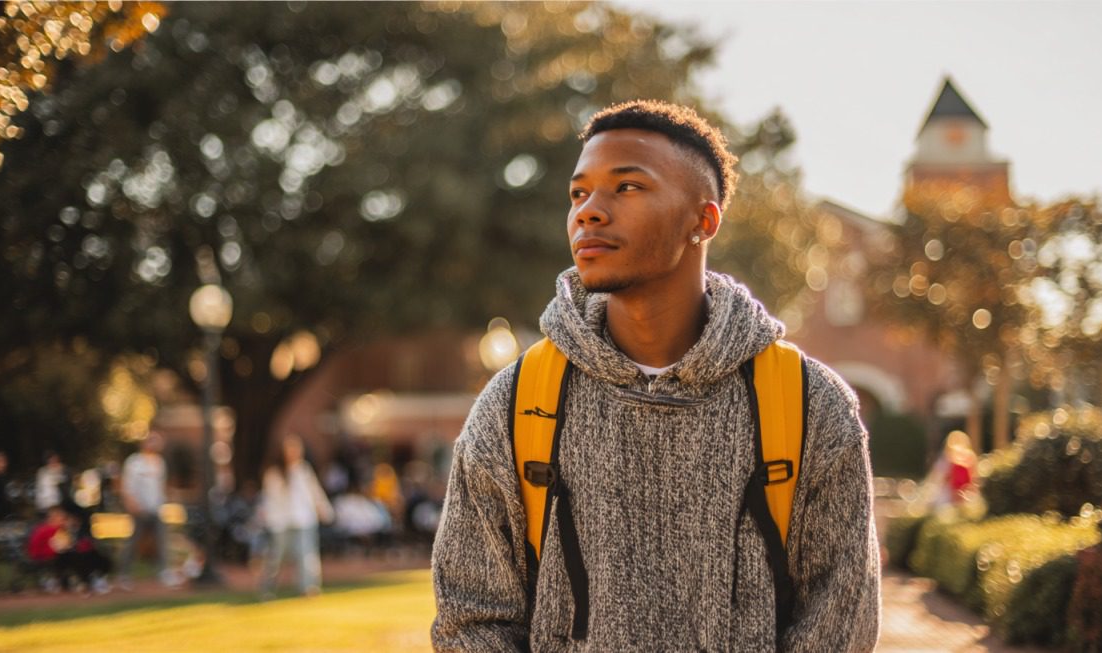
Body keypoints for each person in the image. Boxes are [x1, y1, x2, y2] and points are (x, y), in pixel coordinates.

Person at [431, 100, 880, 651]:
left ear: (704, 219)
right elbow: (470, 621)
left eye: (627, 187)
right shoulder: (517, 402)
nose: (588, 212)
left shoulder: (809, 404)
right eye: (579, 192)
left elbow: (840, 627)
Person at [257, 433, 334, 600]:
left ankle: (308, 588)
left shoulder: (303, 470)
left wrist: (325, 510)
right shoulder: (273, 473)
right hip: (280, 522)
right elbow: (268, 499)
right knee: (276, 557)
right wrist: (266, 518)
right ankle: (267, 589)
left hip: (303, 519)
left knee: (307, 556)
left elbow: (315, 493)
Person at [118, 431, 179, 589]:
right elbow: (127, 486)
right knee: (133, 541)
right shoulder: (134, 462)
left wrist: (164, 503)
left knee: (162, 539)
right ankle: (124, 574)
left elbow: (160, 486)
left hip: (156, 508)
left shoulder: (159, 462)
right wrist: (132, 504)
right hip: (139, 509)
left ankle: (164, 571)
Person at [26, 505, 113, 594]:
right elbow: (60, 547)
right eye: (61, 518)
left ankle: (88, 580)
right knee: (79, 557)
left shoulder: (46, 528)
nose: (63, 520)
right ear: (53, 518)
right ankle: (89, 581)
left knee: (81, 555)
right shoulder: (50, 529)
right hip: (45, 558)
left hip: (45, 557)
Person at [34, 450, 69, 515]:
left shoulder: (56, 471)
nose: (55, 462)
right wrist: (60, 469)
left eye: (56, 460)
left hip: (56, 504)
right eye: (53, 460)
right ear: (48, 461)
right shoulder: (43, 472)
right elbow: (56, 479)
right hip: (46, 506)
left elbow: (65, 478)